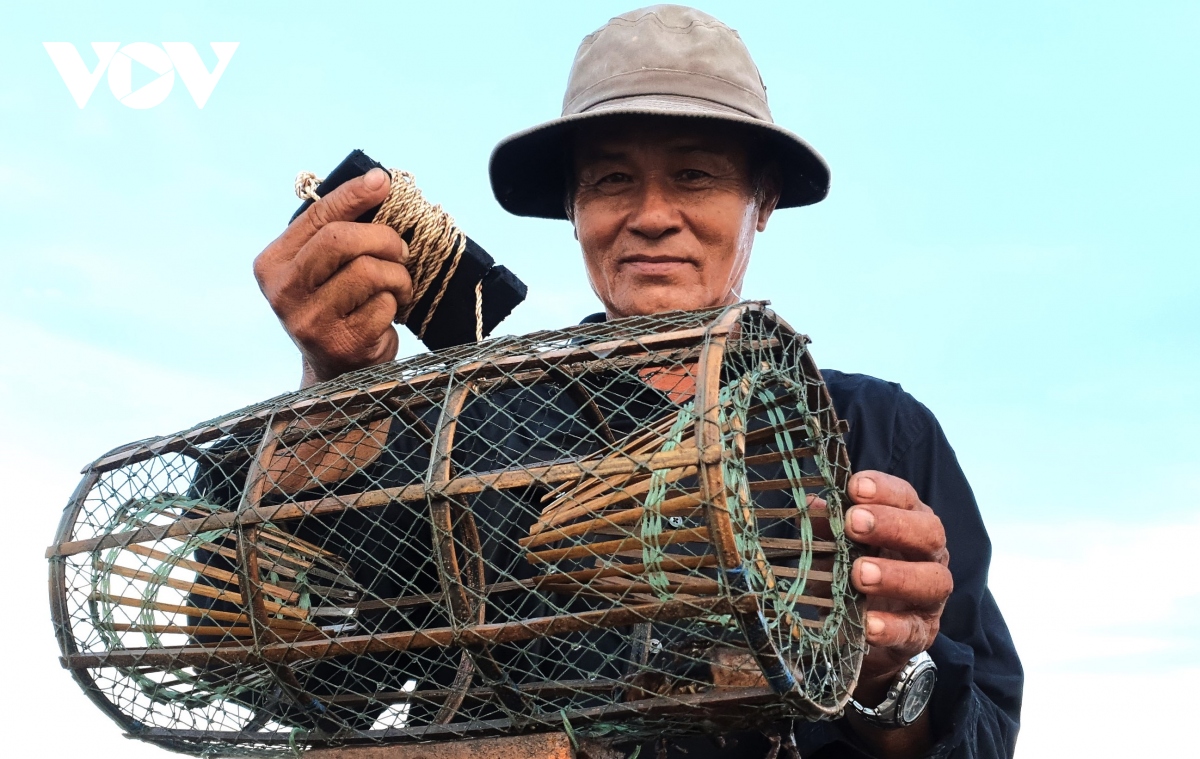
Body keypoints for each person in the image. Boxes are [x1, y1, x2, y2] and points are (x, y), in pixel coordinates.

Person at [252, 5, 1021, 758]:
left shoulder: (877, 429)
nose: (652, 215)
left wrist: (888, 674)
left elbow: (983, 732)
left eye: (694, 174)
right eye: (613, 179)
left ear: (763, 202)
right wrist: (329, 393)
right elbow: (306, 682)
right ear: (574, 207)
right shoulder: (462, 424)